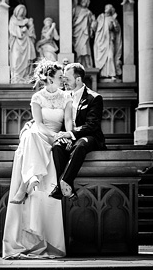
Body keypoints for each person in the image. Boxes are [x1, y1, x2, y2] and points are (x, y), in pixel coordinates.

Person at [2, 60, 73, 259]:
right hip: (42, 133)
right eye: (60, 77)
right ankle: (31, 177)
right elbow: (39, 124)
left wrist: (66, 136)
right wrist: (52, 137)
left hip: (58, 135)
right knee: (31, 135)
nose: (63, 80)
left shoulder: (66, 97)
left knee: (34, 139)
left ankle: (28, 181)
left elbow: (68, 122)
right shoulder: (37, 97)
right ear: (50, 78)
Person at [49, 62, 106, 201]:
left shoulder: (94, 98)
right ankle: (67, 187)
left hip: (90, 137)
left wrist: (71, 134)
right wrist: (65, 137)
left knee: (80, 145)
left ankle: (62, 183)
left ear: (78, 79)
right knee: (57, 147)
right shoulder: (63, 97)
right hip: (70, 136)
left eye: (67, 79)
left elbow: (92, 125)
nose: (64, 82)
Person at [93, 4, 122, 81]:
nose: (106, 9)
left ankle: (112, 74)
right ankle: (103, 75)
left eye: (108, 8)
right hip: (101, 41)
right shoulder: (101, 17)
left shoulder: (112, 18)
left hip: (109, 41)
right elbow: (95, 27)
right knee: (103, 58)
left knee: (110, 56)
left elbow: (117, 30)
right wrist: (94, 23)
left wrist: (114, 22)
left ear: (111, 10)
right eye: (105, 7)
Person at [9, 4, 37, 83]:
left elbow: (31, 33)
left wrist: (31, 25)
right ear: (16, 11)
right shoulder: (13, 20)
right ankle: (16, 77)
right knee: (16, 58)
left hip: (26, 42)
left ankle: (25, 77)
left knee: (26, 61)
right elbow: (12, 31)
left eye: (23, 11)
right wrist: (21, 31)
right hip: (17, 43)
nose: (22, 13)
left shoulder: (27, 21)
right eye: (20, 11)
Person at [72, 0, 96, 69]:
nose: (83, 1)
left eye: (85, 1)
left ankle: (87, 65)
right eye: (83, 0)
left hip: (85, 33)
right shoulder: (77, 8)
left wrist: (92, 26)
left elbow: (93, 22)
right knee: (78, 50)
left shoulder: (88, 12)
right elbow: (72, 16)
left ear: (88, 3)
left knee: (85, 49)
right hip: (77, 31)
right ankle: (78, 64)